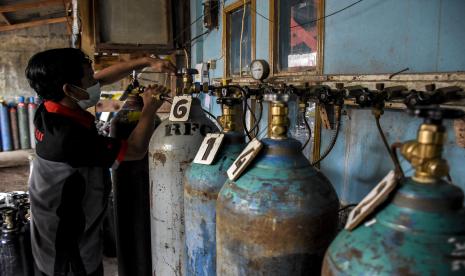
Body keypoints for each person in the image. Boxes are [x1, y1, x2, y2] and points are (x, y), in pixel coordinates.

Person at [25, 48, 175, 276]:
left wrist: (144, 61)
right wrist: (149, 109)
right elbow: (135, 150)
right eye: (87, 76)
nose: (94, 80)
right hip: (66, 237)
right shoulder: (69, 138)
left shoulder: (50, 105)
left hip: (63, 219)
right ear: (70, 88)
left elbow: (101, 79)